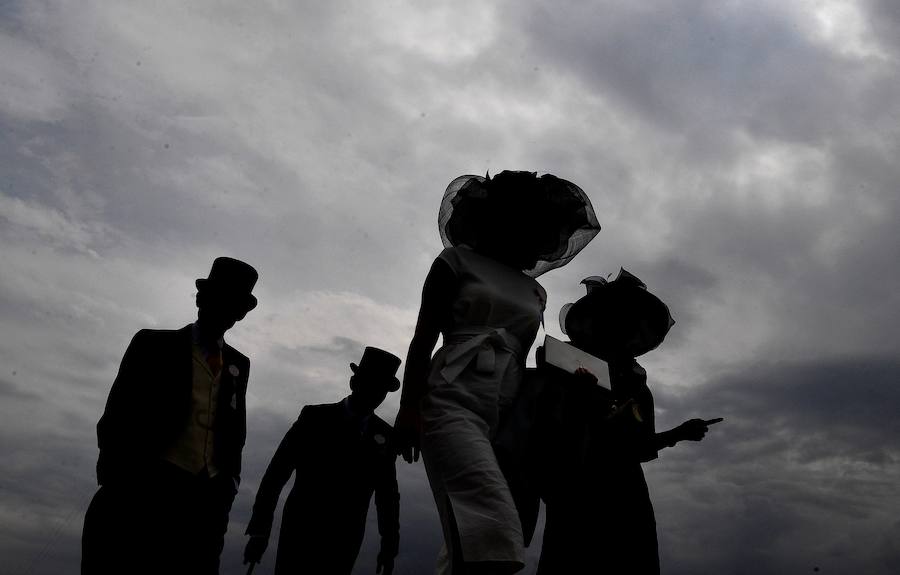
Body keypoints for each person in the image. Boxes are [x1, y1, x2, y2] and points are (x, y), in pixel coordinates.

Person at [393, 170, 600, 575]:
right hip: (451, 399)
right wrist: (408, 409)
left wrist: (573, 380)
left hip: (506, 418)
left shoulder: (535, 291)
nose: (545, 239)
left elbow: (525, 357)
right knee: (493, 534)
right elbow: (422, 340)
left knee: (471, 540)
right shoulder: (454, 261)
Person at [533, 270, 722, 575]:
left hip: (627, 495)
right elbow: (544, 429)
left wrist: (680, 432)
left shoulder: (638, 386)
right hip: (578, 491)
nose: (635, 337)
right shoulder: (562, 364)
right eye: (625, 324)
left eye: (640, 330)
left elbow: (639, 447)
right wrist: (579, 403)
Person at [81, 256, 259, 575]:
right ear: (202, 298)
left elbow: (235, 430)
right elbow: (117, 412)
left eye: (235, 305)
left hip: (205, 502)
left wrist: (229, 483)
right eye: (221, 298)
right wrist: (117, 479)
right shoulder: (153, 344)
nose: (227, 310)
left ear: (241, 314)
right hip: (145, 489)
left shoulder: (238, 365)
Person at [243, 346, 401, 575]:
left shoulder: (386, 437)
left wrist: (389, 545)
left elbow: (388, 496)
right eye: (371, 384)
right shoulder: (314, 418)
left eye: (381, 389)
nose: (376, 393)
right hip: (300, 533)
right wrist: (259, 530)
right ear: (354, 382)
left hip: (344, 543)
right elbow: (276, 474)